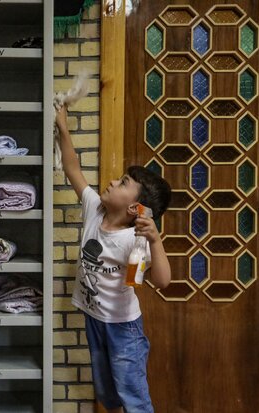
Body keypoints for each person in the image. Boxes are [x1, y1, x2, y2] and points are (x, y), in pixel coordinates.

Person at [55, 104, 172, 413]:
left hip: (123, 327)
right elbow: (72, 170)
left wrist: (154, 240)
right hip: (94, 318)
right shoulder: (94, 208)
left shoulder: (131, 241)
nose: (112, 182)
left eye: (122, 184)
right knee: (108, 394)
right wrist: (63, 129)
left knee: (133, 396)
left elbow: (160, 281)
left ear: (135, 209)